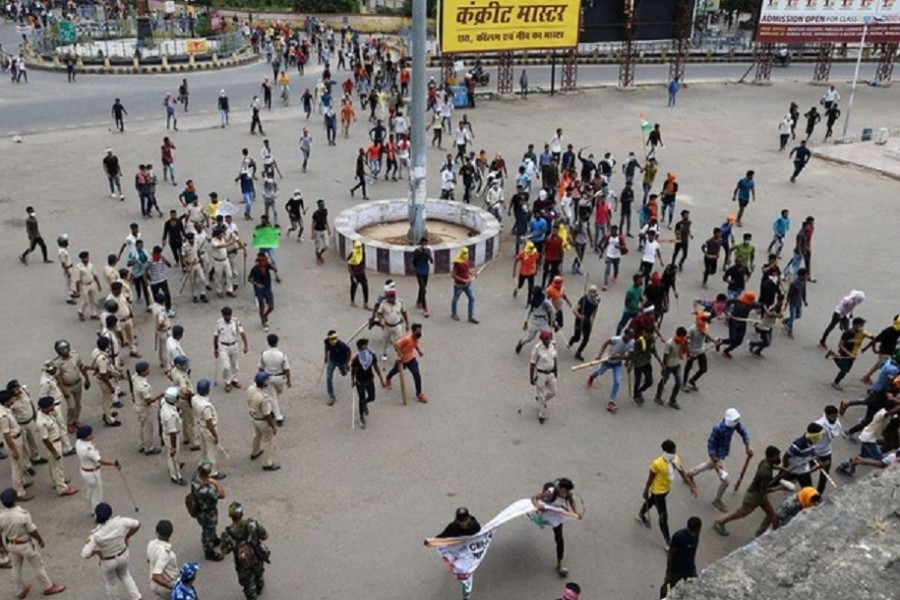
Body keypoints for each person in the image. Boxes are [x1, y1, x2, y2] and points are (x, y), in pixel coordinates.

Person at [0, 488, 67, 598]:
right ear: (16, 499)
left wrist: (2, 546)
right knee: (37, 565)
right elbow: (31, 530)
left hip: (11, 544)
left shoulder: (1, 516)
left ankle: (20, 589)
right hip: (25, 544)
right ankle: (48, 587)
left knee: (16, 568)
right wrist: (40, 539)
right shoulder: (23, 515)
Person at [687, 409, 754, 512]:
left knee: (708, 465)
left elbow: (743, 432)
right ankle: (717, 500)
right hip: (717, 456)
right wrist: (715, 460)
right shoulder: (718, 428)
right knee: (726, 481)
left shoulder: (735, 424)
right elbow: (710, 444)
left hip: (722, 453)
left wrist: (747, 447)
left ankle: (690, 473)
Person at [713, 446, 784, 538]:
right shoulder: (765, 473)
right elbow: (763, 490)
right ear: (770, 457)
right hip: (754, 497)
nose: (778, 458)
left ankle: (759, 534)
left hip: (759, 496)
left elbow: (772, 466)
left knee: (771, 514)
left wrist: (783, 470)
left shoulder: (764, 462)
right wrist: (779, 488)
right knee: (741, 513)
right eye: (776, 456)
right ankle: (720, 522)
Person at [637, 440, 697, 548]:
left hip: (666, 489)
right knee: (663, 516)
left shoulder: (675, 459)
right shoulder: (657, 464)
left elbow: (682, 472)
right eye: (672, 451)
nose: (674, 453)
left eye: (675, 450)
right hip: (658, 491)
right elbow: (650, 478)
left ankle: (641, 514)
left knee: (651, 502)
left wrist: (691, 485)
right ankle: (668, 541)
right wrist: (646, 490)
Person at [81, 502, 141, 600]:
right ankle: (137, 597)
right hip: (123, 554)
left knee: (111, 582)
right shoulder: (121, 522)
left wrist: (98, 553)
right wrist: (127, 536)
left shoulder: (96, 535)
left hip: (108, 560)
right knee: (125, 576)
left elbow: (85, 554)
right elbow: (137, 524)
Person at [530, 478, 584, 576]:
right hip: (546, 509)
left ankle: (559, 564)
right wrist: (538, 506)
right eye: (563, 492)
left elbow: (571, 501)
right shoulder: (549, 493)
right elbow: (534, 498)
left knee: (559, 539)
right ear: (559, 488)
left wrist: (576, 513)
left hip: (556, 513)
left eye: (567, 492)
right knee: (541, 521)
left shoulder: (568, 494)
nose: (564, 494)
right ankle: (539, 520)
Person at [220, 501, 270, 600]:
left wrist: (234, 547)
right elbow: (265, 536)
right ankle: (259, 586)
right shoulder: (253, 523)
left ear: (231, 516)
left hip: (242, 563)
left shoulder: (226, 534)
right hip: (257, 557)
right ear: (242, 513)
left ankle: (253, 594)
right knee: (259, 573)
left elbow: (224, 552)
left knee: (248, 585)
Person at [431, 508, 482, 600]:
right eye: (461, 521)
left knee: (466, 572)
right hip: (457, 549)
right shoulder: (452, 527)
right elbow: (442, 536)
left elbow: (480, 536)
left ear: (469, 519)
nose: (464, 523)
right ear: (458, 521)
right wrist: (432, 541)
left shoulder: (475, 526)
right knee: (458, 568)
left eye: (466, 520)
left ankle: (466, 594)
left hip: (468, 551)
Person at [36, 396, 78, 496]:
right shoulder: (42, 422)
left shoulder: (47, 413)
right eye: (51, 405)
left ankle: (58, 481)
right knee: (57, 466)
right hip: (53, 444)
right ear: (45, 407)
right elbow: (45, 439)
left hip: (55, 441)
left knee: (53, 465)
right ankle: (62, 488)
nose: (53, 406)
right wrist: (54, 452)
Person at [588, 329, 635, 412]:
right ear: (625, 334)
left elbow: (629, 356)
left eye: (631, 337)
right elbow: (605, 344)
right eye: (629, 336)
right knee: (599, 372)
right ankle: (592, 376)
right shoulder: (616, 339)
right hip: (607, 361)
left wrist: (624, 361)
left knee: (617, 381)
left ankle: (611, 402)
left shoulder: (631, 343)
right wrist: (600, 355)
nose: (630, 339)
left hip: (617, 363)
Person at [190, 461, 225, 560]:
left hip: (200, 508)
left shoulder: (195, 478)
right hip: (206, 512)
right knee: (208, 529)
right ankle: (208, 550)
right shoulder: (205, 490)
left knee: (211, 528)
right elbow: (222, 495)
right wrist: (215, 483)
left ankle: (213, 539)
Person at [825, 317, 872, 391]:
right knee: (844, 370)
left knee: (846, 369)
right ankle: (835, 382)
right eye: (861, 325)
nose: (861, 327)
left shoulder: (862, 333)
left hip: (853, 355)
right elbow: (840, 345)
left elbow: (873, 337)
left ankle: (834, 355)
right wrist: (849, 353)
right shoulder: (847, 333)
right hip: (845, 354)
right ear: (855, 325)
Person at [384, 323, 427, 403]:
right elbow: (396, 345)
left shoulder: (416, 338)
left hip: (411, 359)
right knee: (395, 371)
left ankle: (419, 393)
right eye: (418, 331)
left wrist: (419, 351)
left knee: (417, 374)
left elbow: (415, 344)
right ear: (413, 331)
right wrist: (400, 354)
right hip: (402, 360)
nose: (420, 333)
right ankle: (388, 378)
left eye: (420, 331)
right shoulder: (407, 339)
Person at [661, 517, 701, 599]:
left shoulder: (696, 534)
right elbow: (671, 554)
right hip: (677, 569)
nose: (694, 533)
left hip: (690, 567)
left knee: (695, 587)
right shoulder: (679, 536)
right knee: (669, 588)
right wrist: (668, 573)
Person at [246, 372, 279, 472]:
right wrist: (273, 426)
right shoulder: (263, 398)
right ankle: (267, 463)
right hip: (262, 420)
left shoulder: (251, 389)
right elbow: (267, 414)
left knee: (257, 435)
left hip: (254, 417)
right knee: (268, 441)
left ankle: (254, 451)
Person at [350, 338, 385, 429]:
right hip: (360, 382)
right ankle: (361, 416)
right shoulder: (356, 359)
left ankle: (364, 403)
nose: (365, 349)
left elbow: (376, 367)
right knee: (361, 398)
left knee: (372, 397)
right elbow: (353, 371)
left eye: (366, 346)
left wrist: (381, 379)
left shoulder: (371, 355)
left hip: (369, 380)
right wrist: (353, 381)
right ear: (359, 348)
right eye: (363, 347)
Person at [214, 306, 249, 393]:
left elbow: (242, 333)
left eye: (229, 315)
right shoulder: (219, 323)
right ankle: (227, 382)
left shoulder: (235, 322)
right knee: (226, 366)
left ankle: (234, 379)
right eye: (226, 316)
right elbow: (215, 336)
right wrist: (215, 349)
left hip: (234, 345)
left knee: (235, 364)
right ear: (223, 315)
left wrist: (246, 345)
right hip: (223, 346)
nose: (227, 317)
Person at [654, 328, 688, 410]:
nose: (683, 338)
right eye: (682, 337)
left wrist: (686, 345)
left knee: (678, 382)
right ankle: (658, 396)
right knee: (663, 381)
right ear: (678, 335)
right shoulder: (670, 343)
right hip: (668, 365)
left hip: (677, 364)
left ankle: (672, 400)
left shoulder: (683, 342)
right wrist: (663, 367)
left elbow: (684, 352)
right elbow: (665, 356)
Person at [530, 330, 558, 424]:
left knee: (554, 392)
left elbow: (555, 358)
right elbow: (532, 363)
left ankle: (541, 400)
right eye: (546, 340)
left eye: (549, 339)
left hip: (550, 373)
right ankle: (541, 414)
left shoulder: (552, 346)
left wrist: (556, 371)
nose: (548, 341)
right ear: (542, 340)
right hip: (541, 373)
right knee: (541, 394)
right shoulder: (537, 348)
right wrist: (531, 377)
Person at [568, 285, 600, 362]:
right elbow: (575, 310)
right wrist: (579, 316)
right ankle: (572, 340)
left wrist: (592, 323)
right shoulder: (584, 299)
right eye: (592, 292)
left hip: (587, 321)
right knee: (577, 337)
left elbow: (594, 313)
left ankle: (578, 352)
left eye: (595, 292)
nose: (594, 294)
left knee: (586, 339)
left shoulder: (596, 301)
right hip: (579, 320)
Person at [146, 520, 178, 599]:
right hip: (165, 585)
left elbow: (149, 560)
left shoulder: (151, 544)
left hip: (153, 585)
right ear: (170, 533)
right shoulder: (166, 553)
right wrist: (173, 586)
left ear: (157, 532)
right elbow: (156, 575)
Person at [247, 252, 276, 331]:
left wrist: (270, 265)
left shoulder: (267, 266)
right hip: (259, 290)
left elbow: (275, 270)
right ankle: (263, 322)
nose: (263, 263)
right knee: (262, 305)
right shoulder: (255, 269)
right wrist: (256, 284)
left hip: (267, 288)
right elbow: (249, 279)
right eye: (261, 261)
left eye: (264, 261)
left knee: (271, 306)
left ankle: (264, 315)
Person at [323, 330, 351, 405]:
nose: (332, 341)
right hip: (332, 360)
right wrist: (325, 356)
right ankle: (331, 395)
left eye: (334, 338)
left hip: (341, 361)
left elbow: (349, 352)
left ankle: (346, 370)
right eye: (331, 339)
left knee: (344, 373)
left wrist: (347, 363)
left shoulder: (342, 345)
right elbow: (326, 347)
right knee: (329, 377)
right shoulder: (327, 342)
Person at [451, 248, 479, 324]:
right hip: (459, 285)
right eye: (465, 253)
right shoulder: (457, 263)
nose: (466, 255)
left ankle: (470, 317)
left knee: (471, 298)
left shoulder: (466, 260)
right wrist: (463, 280)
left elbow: (467, 269)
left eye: (467, 253)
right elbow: (453, 275)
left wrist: (473, 273)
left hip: (467, 284)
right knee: (455, 299)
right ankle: (453, 313)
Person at [412, 238, 433, 317]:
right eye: (423, 244)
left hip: (425, 271)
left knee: (422, 288)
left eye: (426, 244)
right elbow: (414, 261)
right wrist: (417, 268)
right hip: (419, 272)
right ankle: (425, 308)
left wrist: (427, 254)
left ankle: (419, 301)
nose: (425, 246)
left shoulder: (428, 251)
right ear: (420, 244)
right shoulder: (416, 251)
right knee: (423, 289)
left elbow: (431, 261)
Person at [311, 199, 330, 265]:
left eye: (323, 204)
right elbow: (313, 223)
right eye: (321, 205)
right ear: (319, 206)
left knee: (327, 245)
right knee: (318, 246)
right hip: (317, 231)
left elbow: (326, 220)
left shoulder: (325, 211)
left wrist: (328, 228)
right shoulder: (315, 213)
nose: (323, 206)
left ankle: (320, 254)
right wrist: (312, 233)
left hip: (324, 230)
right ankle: (318, 257)